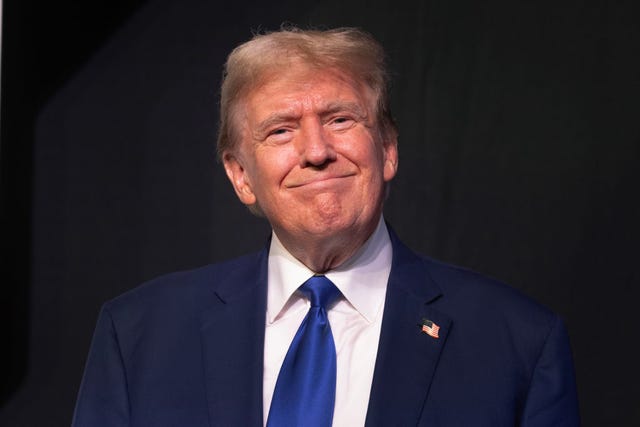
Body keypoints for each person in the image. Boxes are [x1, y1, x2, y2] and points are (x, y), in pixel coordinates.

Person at [72, 27, 580, 426]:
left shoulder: (517, 342)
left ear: (388, 149)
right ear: (241, 176)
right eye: (281, 130)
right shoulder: (138, 334)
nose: (316, 152)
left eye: (340, 119)